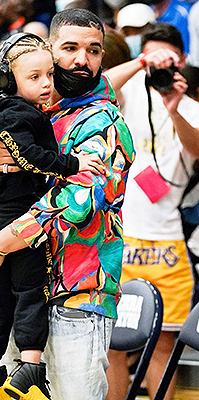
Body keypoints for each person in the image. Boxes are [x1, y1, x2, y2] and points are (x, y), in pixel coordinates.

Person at [0, 8, 135, 400]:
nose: (82, 59)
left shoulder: (104, 122)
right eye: (70, 48)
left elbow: (75, 203)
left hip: (77, 298)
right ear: (48, 52)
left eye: (94, 50)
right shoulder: (15, 110)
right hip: (14, 296)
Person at [105, 22, 199, 400]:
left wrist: (174, 111)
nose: (160, 66)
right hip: (117, 238)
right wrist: (142, 61)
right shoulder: (125, 93)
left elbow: (197, 151)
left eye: (168, 58)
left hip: (168, 243)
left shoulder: (190, 105)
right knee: (112, 345)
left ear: (184, 60)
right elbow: (97, 88)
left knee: (162, 347)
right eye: (152, 56)